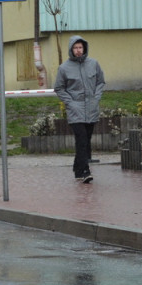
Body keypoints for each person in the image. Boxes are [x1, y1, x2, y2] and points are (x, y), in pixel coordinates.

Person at [54, 35, 105, 183]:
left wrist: (96, 97)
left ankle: (77, 169)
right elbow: (59, 88)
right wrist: (70, 103)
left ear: (84, 48)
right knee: (81, 139)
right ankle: (84, 171)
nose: (78, 50)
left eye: (80, 47)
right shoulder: (64, 68)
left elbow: (100, 82)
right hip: (75, 110)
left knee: (86, 140)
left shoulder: (93, 64)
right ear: (71, 49)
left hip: (91, 108)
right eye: (75, 48)